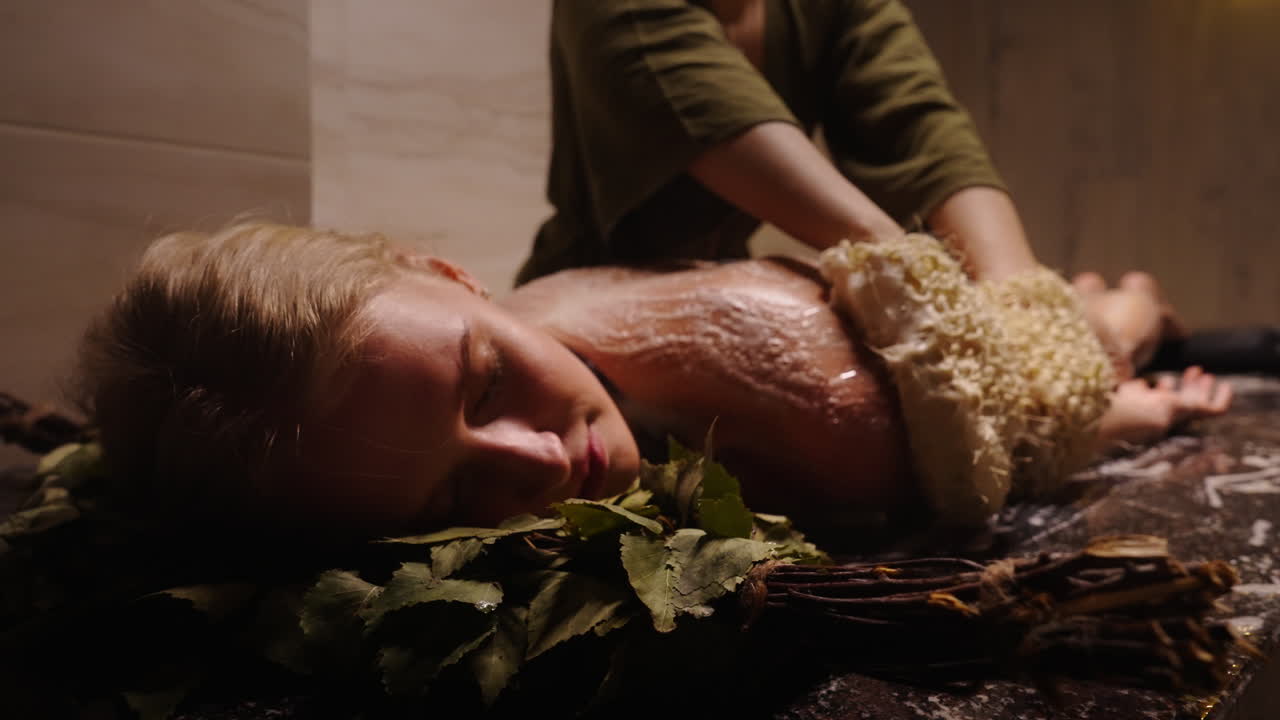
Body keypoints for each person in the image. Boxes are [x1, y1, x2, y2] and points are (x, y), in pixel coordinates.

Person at [77, 224, 1230, 543]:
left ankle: (1124, 290)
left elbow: (1014, 405)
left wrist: (1125, 404)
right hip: (965, 371)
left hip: (985, 336)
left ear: (443, 272)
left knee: (1106, 324)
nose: (536, 465)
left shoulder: (693, 344)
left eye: (485, 384)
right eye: (443, 503)